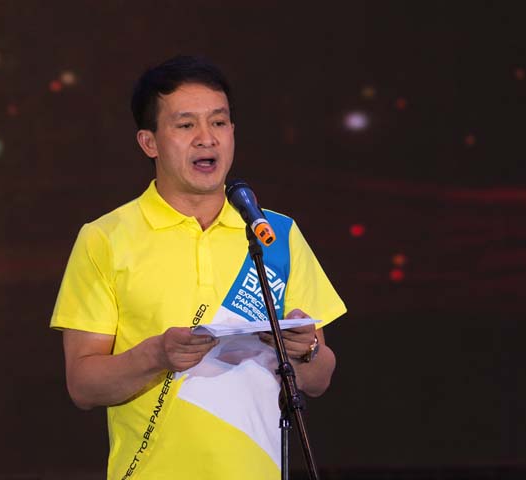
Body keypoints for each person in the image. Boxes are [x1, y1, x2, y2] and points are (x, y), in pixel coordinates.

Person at [50, 55, 346, 480]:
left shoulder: (273, 233)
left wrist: (306, 351)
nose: (207, 138)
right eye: (186, 125)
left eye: (219, 122)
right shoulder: (106, 238)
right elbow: (83, 385)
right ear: (149, 142)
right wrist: (156, 355)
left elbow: (318, 379)